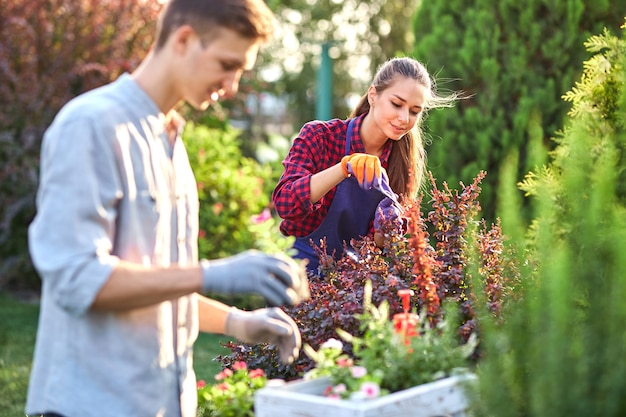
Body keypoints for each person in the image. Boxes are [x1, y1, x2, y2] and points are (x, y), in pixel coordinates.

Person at [25, 1, 310, 416]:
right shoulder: (92, 125)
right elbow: (78, 278)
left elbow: (152, 283)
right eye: (228, 64)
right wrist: (216, 272)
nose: (231, 86)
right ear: (184, 39)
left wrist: (236, 322)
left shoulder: (171, 140)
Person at [272, 56, 457, 273]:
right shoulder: (319, 136)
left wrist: (387, 226)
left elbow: (381, 247)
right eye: (396, 104)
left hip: (349, 285)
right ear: (373, 96)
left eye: (414, 111)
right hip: (297, 272)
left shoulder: (401, 164)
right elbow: (285, 203)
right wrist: (345, 167)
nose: (404, 118)